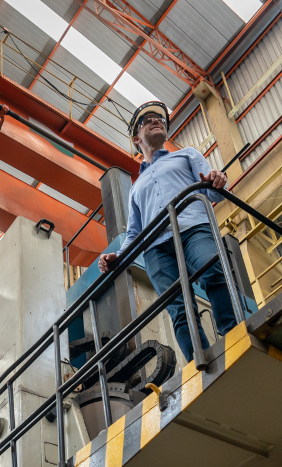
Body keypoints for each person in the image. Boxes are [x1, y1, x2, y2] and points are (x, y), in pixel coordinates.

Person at [98, 101, 239, 364]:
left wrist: (218, 180)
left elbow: (210, 188)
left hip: (193, 228)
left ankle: (234, 334)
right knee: (178, 307)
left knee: (213, 271)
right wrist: (118, 256)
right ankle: (200, 358)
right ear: (136, 138)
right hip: (156, 250)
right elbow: (134, 234)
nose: (157, 121)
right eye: (148, 119)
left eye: (160, 119)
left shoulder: (186, 155)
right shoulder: (136, 188)